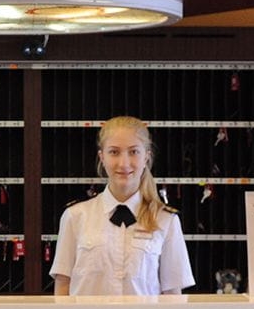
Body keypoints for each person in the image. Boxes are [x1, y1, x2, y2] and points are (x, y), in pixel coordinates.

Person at [50, 116, 193, 295]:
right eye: (114, 152)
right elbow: (63, 285)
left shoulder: (166, 220)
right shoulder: (75, 216)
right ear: (102, 157)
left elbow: (173, 295)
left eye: (133, 152)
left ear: (146, 157)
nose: (124, 163)